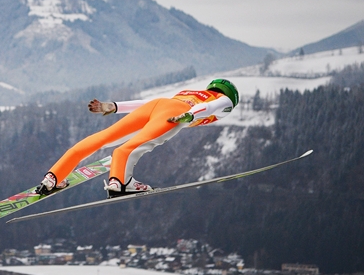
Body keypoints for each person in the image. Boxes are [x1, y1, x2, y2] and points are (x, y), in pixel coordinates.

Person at [36, 78, 239, 198]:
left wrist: (115, 106)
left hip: (158, 105)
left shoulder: (191, 92)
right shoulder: (225, 101)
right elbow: (210, 108)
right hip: (177, 112)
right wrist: (190, 115)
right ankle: (120, 183)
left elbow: (150, 102)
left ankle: (53, 177)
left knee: (104, 137)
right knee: (135, 145)